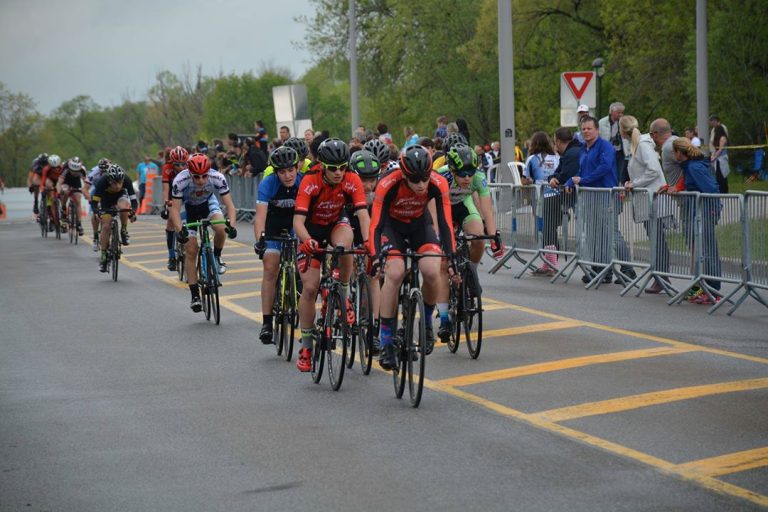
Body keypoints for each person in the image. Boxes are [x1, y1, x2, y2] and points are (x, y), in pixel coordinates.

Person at [369, 145, 457, 369]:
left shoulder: (438, 182)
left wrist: (452, 258)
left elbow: (446, 224)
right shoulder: (388, 183)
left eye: (424, 179)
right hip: (392, 228)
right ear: (404, 174)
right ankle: (387, 341)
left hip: (420, 226)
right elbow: (376, 225)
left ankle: (426, 323)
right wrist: (376, 256)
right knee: (395, 273)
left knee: (431, 270)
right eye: (414, 180)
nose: (421, 185)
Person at [292, 138, 371, 373]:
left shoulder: (351, 179)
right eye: (333, 168)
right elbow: (297, 221)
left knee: (345, 246)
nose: (339, 173)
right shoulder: (310, 181)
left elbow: (362, 215)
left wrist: (368, 242)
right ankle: (306, 347)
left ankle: (343, 295)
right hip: (311, 230)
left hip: (337, 223)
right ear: (322, 165)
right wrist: (307, 241)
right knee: (309, 288)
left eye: (343, 167)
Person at [171, 154, 238, 312]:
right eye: (196, 177)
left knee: (221, 228)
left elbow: (230, 205)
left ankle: (217, 256)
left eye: (204, 176)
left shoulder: (218, 177)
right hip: (190, 209)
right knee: (191, 250)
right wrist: (180, 231)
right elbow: (174, 209)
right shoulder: (180, 181)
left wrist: (232, 226)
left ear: (209, 172)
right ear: (189, 173)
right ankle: (195, 295)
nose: (201, 180)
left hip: (208, 203)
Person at [437, 143, 504, 296]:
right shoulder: (440, 176)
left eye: (470, 173)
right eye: (462, 174)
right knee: (444, 257)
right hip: (442, 208)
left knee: (479, 238)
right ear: (453, 171)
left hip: (462, 205)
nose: (467, 178)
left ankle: (470, 274)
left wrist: (494, 237)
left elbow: (487, 210)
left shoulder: (479, 177)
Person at [253, 146, 303, 344]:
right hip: (273, 228)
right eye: (282, 172)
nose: (288, 175)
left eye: (291, 170)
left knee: (304, 267)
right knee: (271, 267)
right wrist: (260, 241)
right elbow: (260, 217)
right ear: (276, 172)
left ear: (297, 168)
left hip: (295, 226)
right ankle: (266, 323)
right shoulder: (268, 184)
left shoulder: (303, 182)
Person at [620, 116, 669, 293]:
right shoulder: (638, 145)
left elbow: (654, 170)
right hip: (648, 199)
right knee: (655, 238)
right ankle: (661, 276)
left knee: (657, 239)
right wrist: (632, 182)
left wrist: (635, 183)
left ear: (621, 131)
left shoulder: (642, 145)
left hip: (654, 198)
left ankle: (662, 277)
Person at [671, 137, 722, 304]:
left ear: (680, 153)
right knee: (702, 252)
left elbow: (710, 189)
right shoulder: (689, 166)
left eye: (674, 151)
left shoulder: (694, 167)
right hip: (698, 212)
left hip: (706, 211)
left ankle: (714, 290)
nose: (673, 154)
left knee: (708, 251)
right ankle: (704, 287)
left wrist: (714, 209)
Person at [523, 132, 561, 275]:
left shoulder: (532, 158)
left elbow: (525, 179)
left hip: (541, 197)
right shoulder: (556, 157)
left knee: (545, 230)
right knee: (552, 229)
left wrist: (528, 182)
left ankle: (552, 265)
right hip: (557, 195)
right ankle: (547, 263)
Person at [90, 164, 138, 272]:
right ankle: (103, 255)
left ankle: (124, 230)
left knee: (124, 208)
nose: (117, 186)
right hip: (106, 201)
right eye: (115, 183)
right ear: (109, 180)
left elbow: (134, 201)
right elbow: (94, 203)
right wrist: (97, 212)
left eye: (120, 182)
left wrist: (133, 212)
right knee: (106, 226)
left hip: (121, 197)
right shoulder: (102, 182)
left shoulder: (127, 180)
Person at [162, 146, 190, 271]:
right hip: (173, 195)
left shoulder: (190, 167)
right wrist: (166, 204)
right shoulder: (167, 169)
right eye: (177, 164)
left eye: (183, 164)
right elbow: (165, 188)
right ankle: (171, 256)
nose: (181, 167)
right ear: (171, 162)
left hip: (187, 193)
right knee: (170, 222)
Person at [57, 157, 88, 236]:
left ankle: (79, 224)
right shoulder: (66, 169)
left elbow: (87, 183)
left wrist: (85, 191)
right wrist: (59, 192)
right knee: (65, 192)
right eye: (72, 170)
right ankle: (63, 210)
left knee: (78, 199)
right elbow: (59, 183)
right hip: (66, 180)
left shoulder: (82, 170)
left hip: (76, 182)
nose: (74, 172)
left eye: (76, 171)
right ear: (70, 167)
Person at [649, 119, 683, 189]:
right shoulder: (675, 141)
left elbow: (690, 166)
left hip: (689, 198)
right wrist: (669, 186)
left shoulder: (668, 147)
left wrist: (678, 187)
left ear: (654, 134)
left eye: (651, 135)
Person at [85, 158, 111, 250]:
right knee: (95, 214)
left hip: (109, 190)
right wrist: (89, 198)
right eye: (102, 171)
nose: (104, 172)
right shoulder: (93, 173)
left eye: (106, 171)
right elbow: (85, 189)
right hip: (97, 190)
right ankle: (96, 237)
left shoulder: (114, 170)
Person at [598, 102, 625, 182]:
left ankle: (618, 188)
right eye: (618, 112)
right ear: (612, 112)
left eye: (622, 112)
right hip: (607, 151)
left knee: (620, 172)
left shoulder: (623, 122)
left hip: (620, 152)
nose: (620, 115)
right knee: (609, 171)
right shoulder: (602, 122)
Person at [40, 155, 65, 231]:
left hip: (59, 181)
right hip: (50, 181)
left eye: (57, 167)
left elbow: (65, 179)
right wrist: (42, 189)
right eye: (53, 167)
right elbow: (43, 180)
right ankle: (52, 219)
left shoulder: (63, 167)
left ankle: (64, 216)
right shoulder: (46, 168)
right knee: (51, 194)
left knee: (63, 195)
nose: (56, 169)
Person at [711, 123, 729, 193]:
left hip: (722, 159)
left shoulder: (723, 138)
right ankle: (720, 191)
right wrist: (713, 155)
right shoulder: (717, 138)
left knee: (722, 176)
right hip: (717, 159)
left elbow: (720, 150)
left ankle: (724, 191)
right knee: (718, 176)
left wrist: (714, 157)